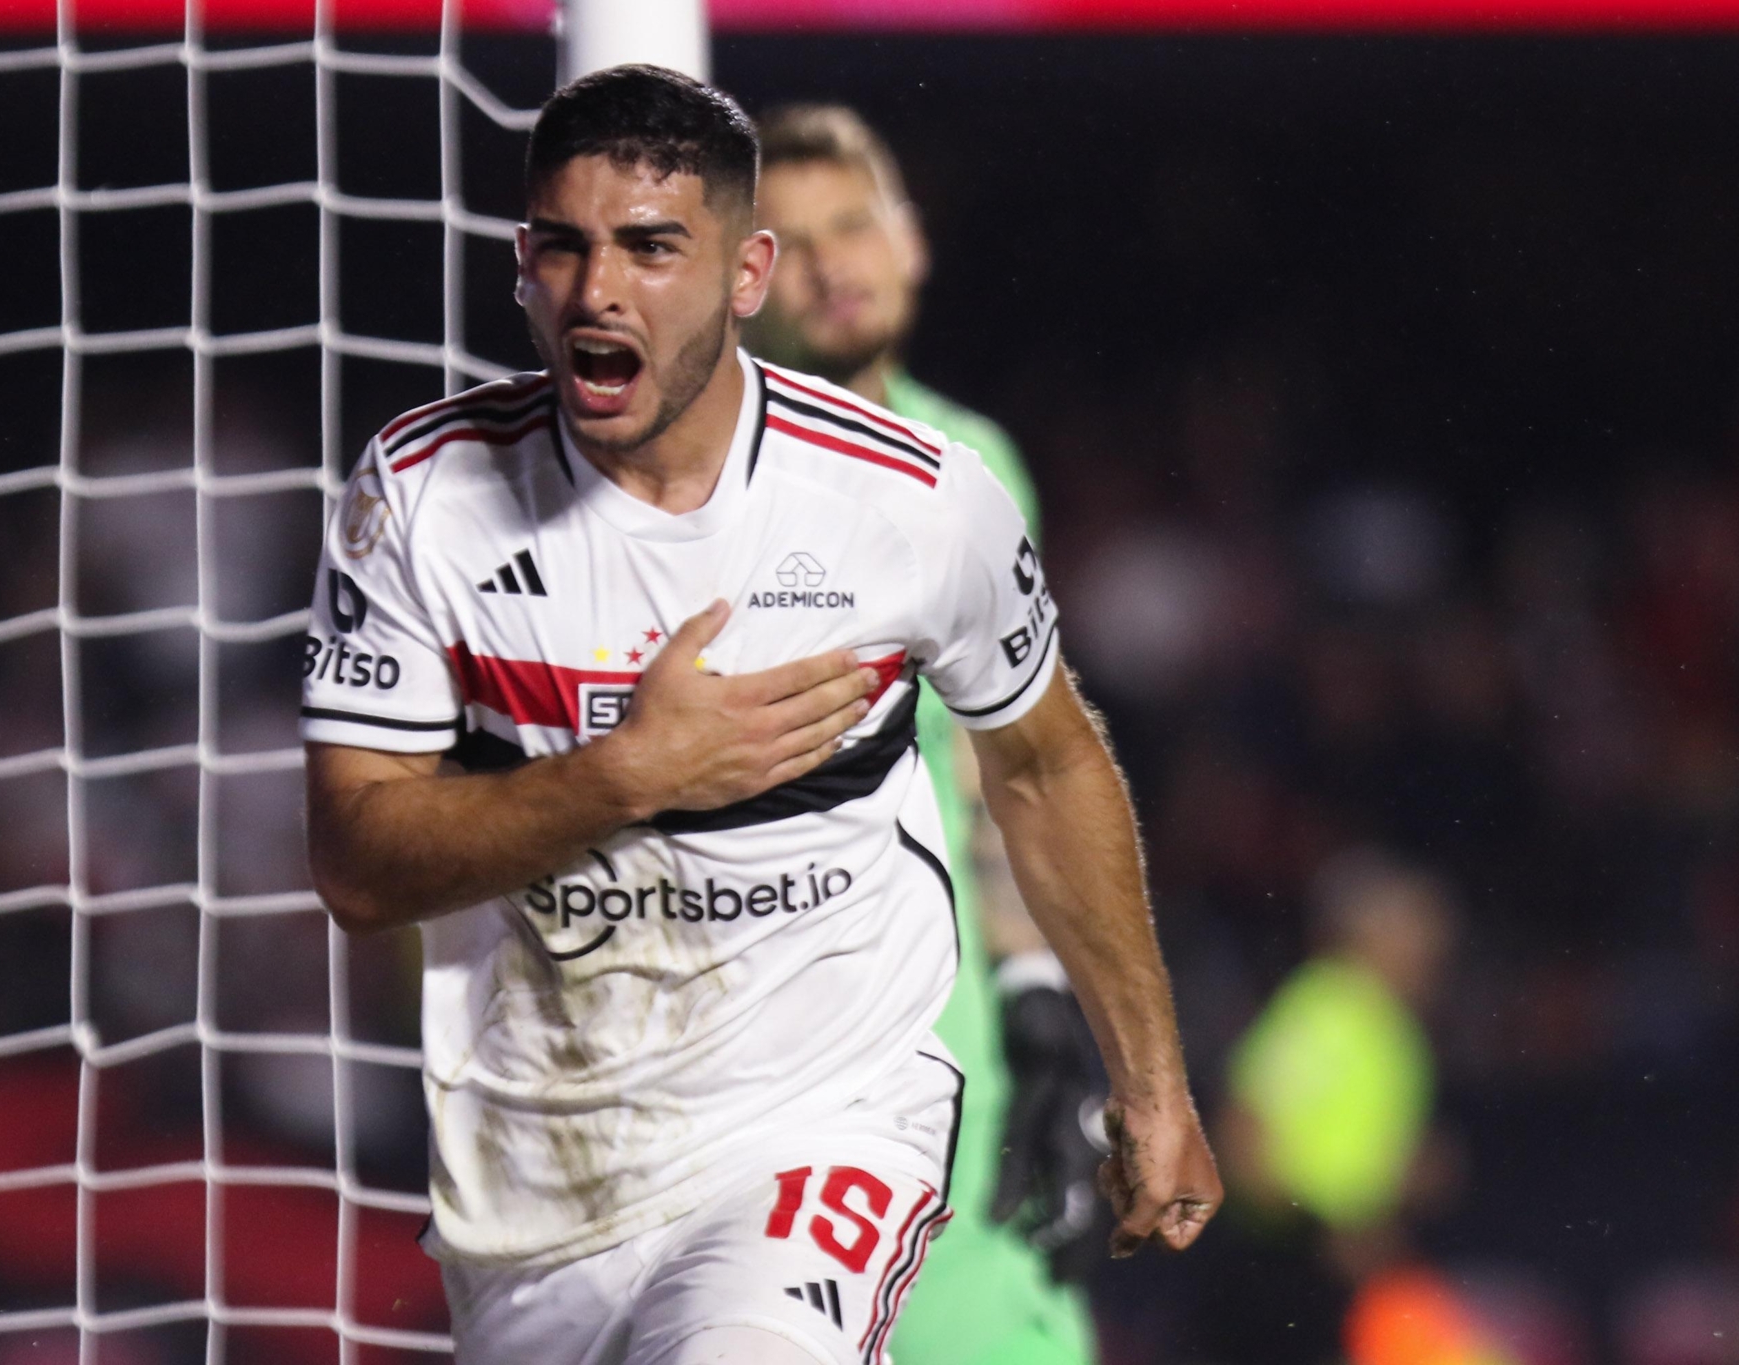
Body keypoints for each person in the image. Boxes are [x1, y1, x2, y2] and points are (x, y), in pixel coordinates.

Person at [301, 65, 1218, 1365]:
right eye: (562, 247)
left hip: (822, 1119)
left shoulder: (912, 495)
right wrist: (629, 773)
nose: (597, 290)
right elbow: (354, 860)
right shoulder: (423, 494)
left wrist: (1148, 1077)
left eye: (650, 248)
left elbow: (1042, 762)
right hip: (545, 1169)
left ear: (745, 274)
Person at [744, 103, 1106, 1365]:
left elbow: (999, 767)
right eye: (788, 244)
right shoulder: (688, 487)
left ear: (909, 241)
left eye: (852, 226)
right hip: (761, 1086)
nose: (834, 265)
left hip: (956, 1074)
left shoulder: (978, 461)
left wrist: (1037, 993)